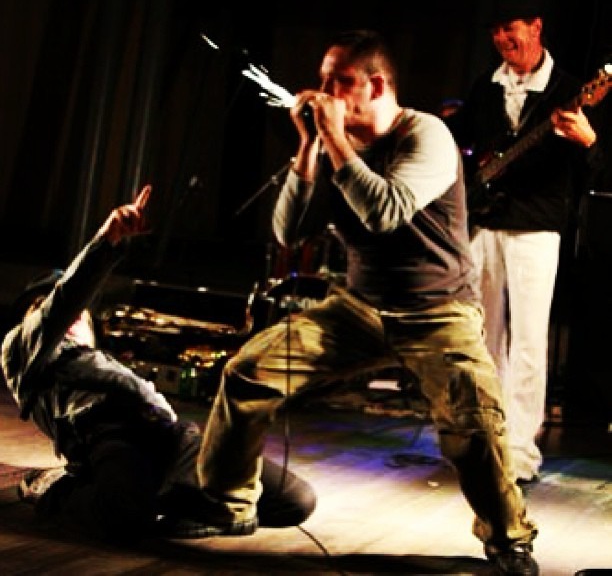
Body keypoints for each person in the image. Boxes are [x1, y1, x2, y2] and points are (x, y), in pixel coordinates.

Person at [193, 29, 539, 575]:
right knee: (249, 371)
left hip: (438, 312)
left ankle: (509, 539)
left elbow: (385, 211)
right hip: (360, 309)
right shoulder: (337, 145)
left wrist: (333, 140)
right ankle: (228, 502)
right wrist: (308, 149)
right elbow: (288, 233)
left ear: (376, 85)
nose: (323, 91)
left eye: (339, 81)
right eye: (323, 78)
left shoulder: (426, 135)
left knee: (475, 423)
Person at [1, 185, 316, 544]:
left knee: (295, 501)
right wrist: (107, 240)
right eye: (42, 305)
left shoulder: (102, 359)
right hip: (111, 437)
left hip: (172, 435)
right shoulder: (19, 350)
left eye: (82, 314)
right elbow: (62, 303)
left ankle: (174, 499)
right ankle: (54, 487)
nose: (74, 315)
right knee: (123, 516)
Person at [444, 0, 605, 487]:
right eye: (495, 30)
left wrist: (588, 142)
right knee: (482, 339)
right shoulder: (485, 86)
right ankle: (487, 440)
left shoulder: (570, 89)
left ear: (536, 27)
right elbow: (461, 141)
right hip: (486, 225)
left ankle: (520, 451)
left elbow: (595, 167)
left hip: (536, 229)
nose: (501, 38)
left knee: (530, 342)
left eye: (509, 28)